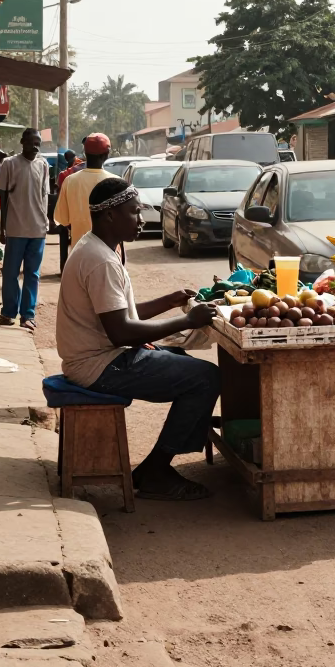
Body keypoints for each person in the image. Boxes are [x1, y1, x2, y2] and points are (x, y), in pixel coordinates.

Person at [56, 175, 220, 500]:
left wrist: (169, 301)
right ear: (110, 215)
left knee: (185, 362)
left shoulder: (97, 247)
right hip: (100, 366)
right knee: (206, 378)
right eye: (134, 212)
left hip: (99, 356)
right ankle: (157, 471)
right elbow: (121, 332)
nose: (141, 220)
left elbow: (121, 315)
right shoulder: (100, 260)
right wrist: (187, 319)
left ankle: (157, 466)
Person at [0, 128, 49, 331]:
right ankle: (8, 313)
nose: (35, 146)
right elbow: (3, 197)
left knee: (32, 274)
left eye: (38, 143)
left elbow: (44, 197)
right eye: (32, 142)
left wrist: (46, 223)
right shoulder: (9, 164)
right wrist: (3, 229)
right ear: (23, 142)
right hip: (16, 229)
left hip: (37, 230)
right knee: (10, 273)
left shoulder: (42, 165)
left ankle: (27, 315)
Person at [54, 133, 112, 252]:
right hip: (109, 252)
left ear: (85, 153)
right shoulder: (116, 182)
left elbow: (62, 219)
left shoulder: (69, 181)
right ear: (106, 155)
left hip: (79, 251)